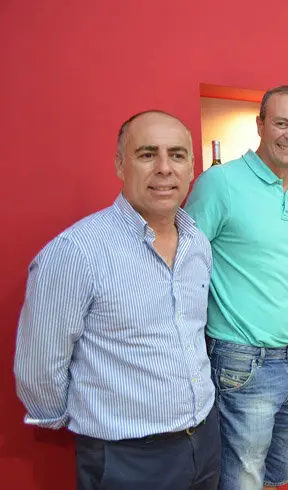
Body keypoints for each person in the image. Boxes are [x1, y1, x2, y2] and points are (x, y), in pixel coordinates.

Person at [14, 110, 220, 490]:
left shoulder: (198, 244)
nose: (164, 168)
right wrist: (83, 422)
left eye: (177, 155)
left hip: (204, 440)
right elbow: (39, 366)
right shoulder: (77, 252)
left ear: (192, 165)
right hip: (126, 457)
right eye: (146, 154)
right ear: (119, 165)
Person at [184, 85, 288, 490]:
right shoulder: (221, 183)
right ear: (260, 125)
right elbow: (181, 266)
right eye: (282, 123)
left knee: (275, 474)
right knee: (240, 480)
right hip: (238, 360)